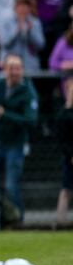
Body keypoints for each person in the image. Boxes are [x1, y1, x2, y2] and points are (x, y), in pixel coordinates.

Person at [0, 54, 38, 220]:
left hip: (15, 143)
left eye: (17, 68)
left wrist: (5, 114)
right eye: (11, 67)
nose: (14, 72)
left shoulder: (28, 92)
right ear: (4, 69)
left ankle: (17, 219)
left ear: (22, 70)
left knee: (11, 186)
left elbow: (31, 120)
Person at [56, 79, 73, 228]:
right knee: (66, 189)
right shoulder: (64, 115)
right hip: (69, 158)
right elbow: (62, 140)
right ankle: (60, 221)